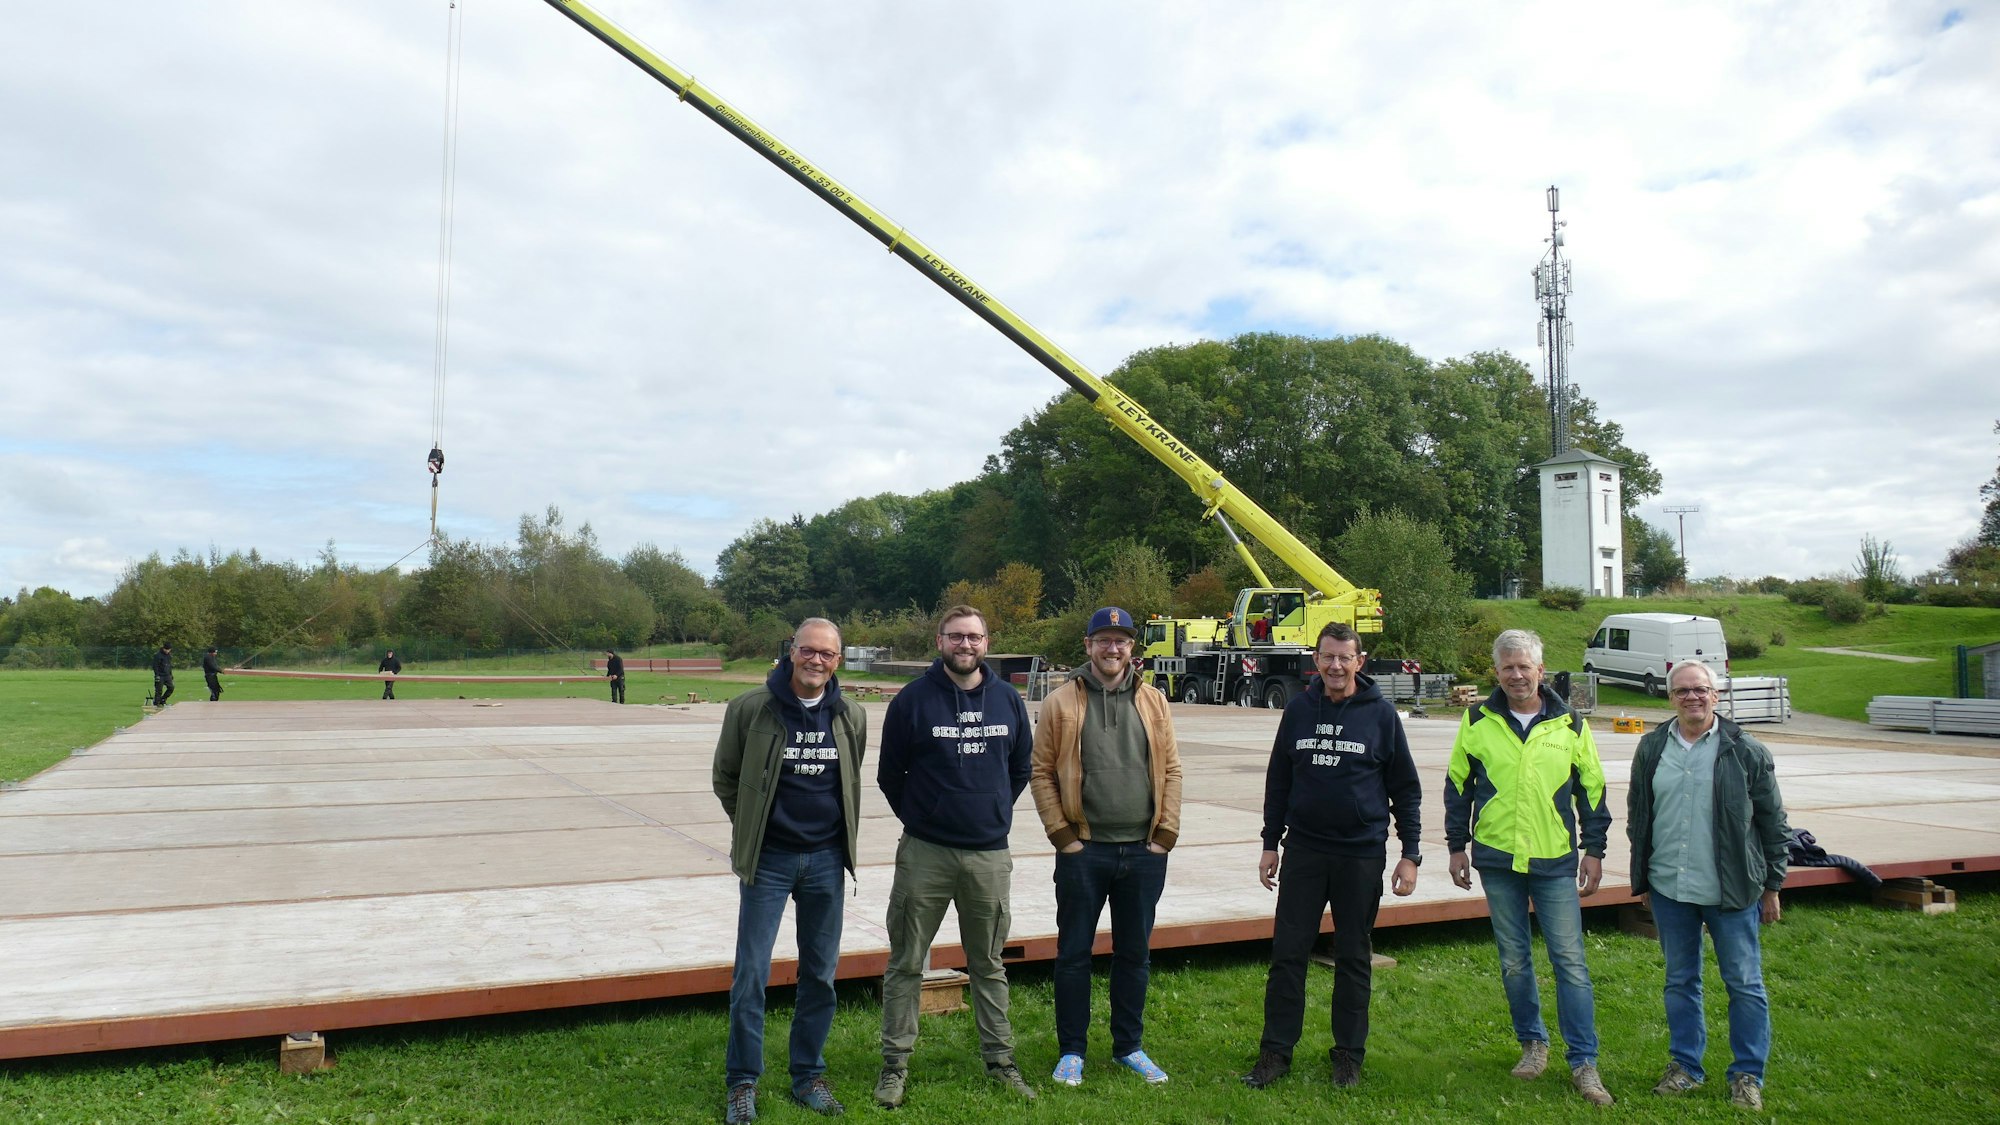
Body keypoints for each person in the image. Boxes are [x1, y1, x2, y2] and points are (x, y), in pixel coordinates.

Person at [1243, 621, 1421, 1091]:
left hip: (1360, 855)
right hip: (1303, 850)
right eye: (1328, 657)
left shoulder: (1381, 716)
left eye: (1345, 657)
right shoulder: (1299, 710)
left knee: (1353, 955)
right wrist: (1268, 842)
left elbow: (1405, 790)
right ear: (1316, 661)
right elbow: (1279, 779)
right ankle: (1275, 1053)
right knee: (1288, 954)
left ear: (1359, 662)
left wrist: (1411, 854)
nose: (1336, 665)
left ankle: (1348, 1055)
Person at [1443, 629, 1615, 1107]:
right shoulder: (1476, 719)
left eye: (1525, 667)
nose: (1516, 675)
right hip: (1497, 859)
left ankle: (1584, 1062)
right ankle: (1533, 1044)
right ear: (1496, 672)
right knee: (1514, 959)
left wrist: (1594, 850)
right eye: (1507, 667)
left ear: (1541, 670)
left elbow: (1593, 791)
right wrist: (1456, 847)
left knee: (1571, 964)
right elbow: (1457, 786)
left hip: (1554, 860)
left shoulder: (1571, 724)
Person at [874, 605, 1036, 1109]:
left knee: (988, 963)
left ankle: (1001, 1061)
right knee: (906, 962)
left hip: (988, 855)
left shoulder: (1008, 699)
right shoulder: (912, 702)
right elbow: (889, 773)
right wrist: (927, 818)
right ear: (939, 641)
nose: (965, 645)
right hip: (926, 853)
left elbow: (1020, 769)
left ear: (987, 642)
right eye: (956, 637)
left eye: (975, 637)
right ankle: (894, 1065)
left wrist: (987, 813)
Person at [713, 618, 868, 1124]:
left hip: (826, 861)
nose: (816, 660)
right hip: (769, 861)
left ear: (837, 661)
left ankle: (809, 1075)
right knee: (752, 975)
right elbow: (726, 777)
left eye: (827, 653)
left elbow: (848, 778)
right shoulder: (749, 709)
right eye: (808, 650)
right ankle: (742, 1082)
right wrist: (755, 826)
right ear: (791, 652)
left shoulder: (851, 716)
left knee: (819, 974)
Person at [1031, 606, 1183, 1087]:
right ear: (1088, 645)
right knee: (1074, 953)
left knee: (1134, 954)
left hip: (1143, 852)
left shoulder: (1155, 701)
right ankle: (1071, 1051)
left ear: (1132, 647)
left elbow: (1173, 769)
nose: (1112, 648)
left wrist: (1165, 835)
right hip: (1084, 851)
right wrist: (1063, 836)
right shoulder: (1060, 702)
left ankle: (1129, 1047)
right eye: (1103, 640)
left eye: (1121, 640)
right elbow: (1040, 772)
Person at [1629, 661, 1790, 1111]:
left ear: (1716, 696)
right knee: (1680, 980)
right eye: (1682, 691)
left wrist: (1772, 885)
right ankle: (1685, 1068)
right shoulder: (1652, 747)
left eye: (1700, 690)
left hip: (1733, 890)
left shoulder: (1746, 751)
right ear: (1670, 697)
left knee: (1744, 983)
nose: (1692, 697)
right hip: (1669, 888)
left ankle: (1746, 1075)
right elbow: (1640, 814)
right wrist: (1643, 875)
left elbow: (1773, 822)